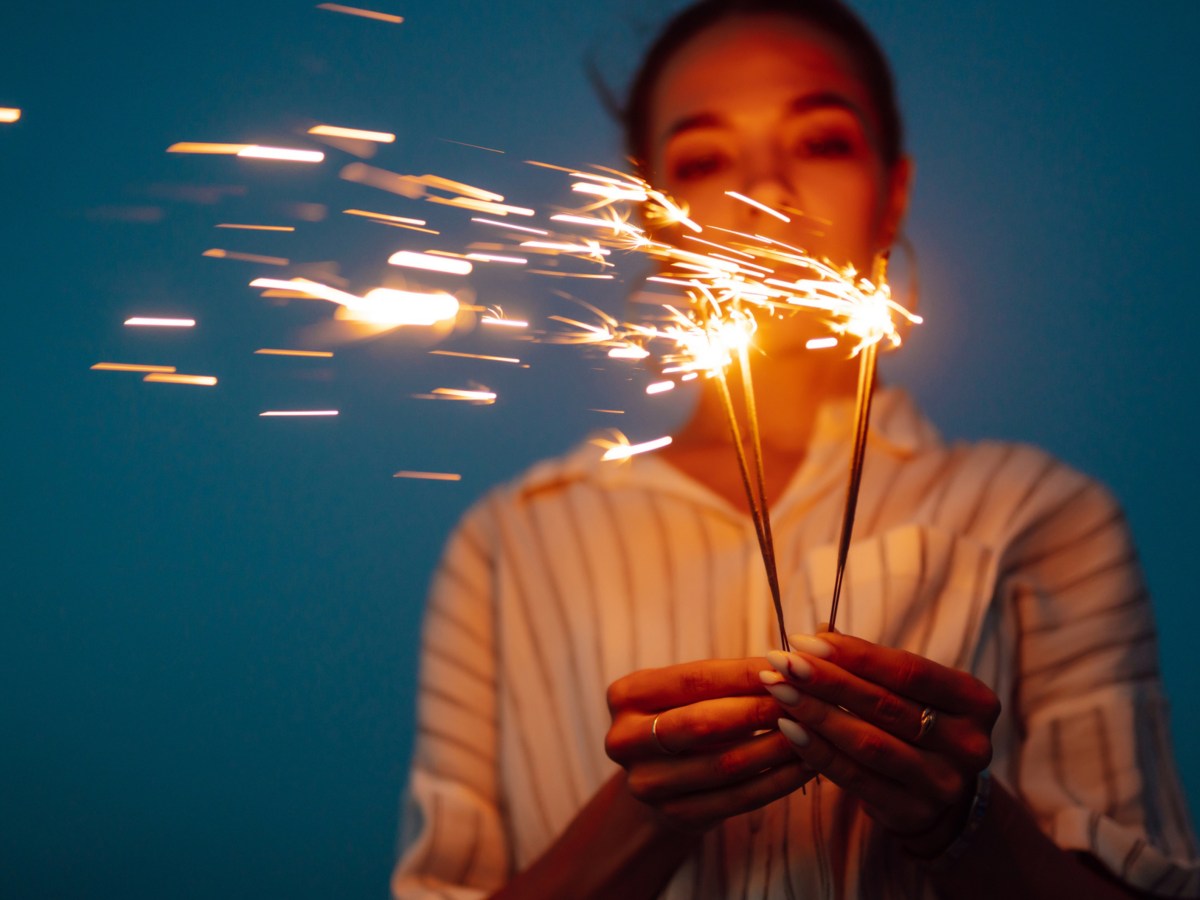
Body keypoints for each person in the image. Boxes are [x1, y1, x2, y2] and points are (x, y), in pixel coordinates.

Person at [390, 1, 1200, 897]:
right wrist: (646, 812)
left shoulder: (1039, 513)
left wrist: (959, 819)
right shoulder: (509, 543)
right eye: (704, 160)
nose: (764, 194)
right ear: (651, 220)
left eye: (820, 143)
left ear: (892, 194)